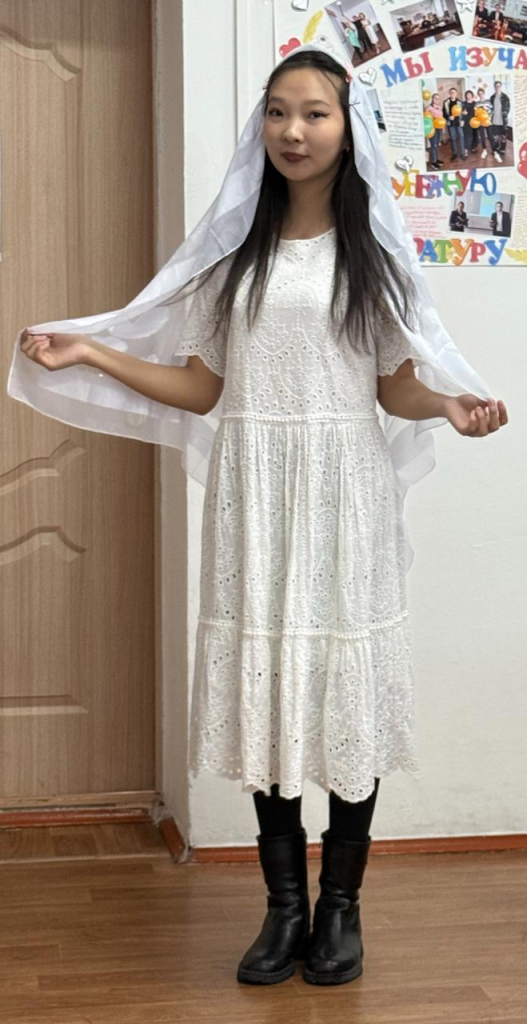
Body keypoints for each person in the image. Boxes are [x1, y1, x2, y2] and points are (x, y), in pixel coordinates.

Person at [10, 45, 508, 989]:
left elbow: (394, 385)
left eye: (314, 113)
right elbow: (201, 388)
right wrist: (92, 352)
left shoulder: (373, 255)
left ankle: (340, 909)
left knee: (342, 685)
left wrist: (447, 404)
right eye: (278, 111)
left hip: (342, 488)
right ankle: (283, 910)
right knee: (267, 682)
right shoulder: (231, 253)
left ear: (347, 128)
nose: (292, 130)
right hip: (254, 488)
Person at [443, 86, 468, 161]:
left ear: (456, 93)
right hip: (451, 124)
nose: (453, 94)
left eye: (454, 92)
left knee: (461, 137)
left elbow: (464, 112)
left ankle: (462, 154)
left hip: (459, 123)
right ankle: (454, 154)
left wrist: (463, 120)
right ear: (449, 93)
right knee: (453, 139)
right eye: (451, 92)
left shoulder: (460, 102)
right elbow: (444, 113)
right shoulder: (446, 102)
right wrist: (448, 117)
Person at [488, 80, 511, 163]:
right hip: (494, 120)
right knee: (495, 137)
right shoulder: (492, 97)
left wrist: (504, 114)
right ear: (494, 87)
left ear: (501, 87)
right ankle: (496, 150)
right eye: (496, 86)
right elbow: (490, 108)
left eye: (499, 86)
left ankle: (502, 150)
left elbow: (508, 108)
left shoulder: (505, 97)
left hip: (503, 121)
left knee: (503, 136)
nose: (497, 87)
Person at [425, 93, 444, 170]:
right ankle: (433, 162)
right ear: (432, 99)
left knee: (437, 144)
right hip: (432, 129)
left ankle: (437, 159)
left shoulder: (440, 107)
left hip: (439, 128)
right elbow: (426, 119)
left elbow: (441, 117)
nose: (437, 100)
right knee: (434, 145)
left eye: (438, 98)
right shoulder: (428, 108)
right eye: (435, 98)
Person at [476, 87, 491, 158]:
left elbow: (492, 111)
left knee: (490, 136)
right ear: (478, 95)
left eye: (481, 93)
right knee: (482, 137)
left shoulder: (488, 102)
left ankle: (494, 150)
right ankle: (484, 150)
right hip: (481, 122)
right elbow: (476, 114)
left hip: (487, 121)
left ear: (484, 93)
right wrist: (476, 110)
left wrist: (487, 109)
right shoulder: (477, 103)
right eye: (479, 94)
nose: (480, 95)